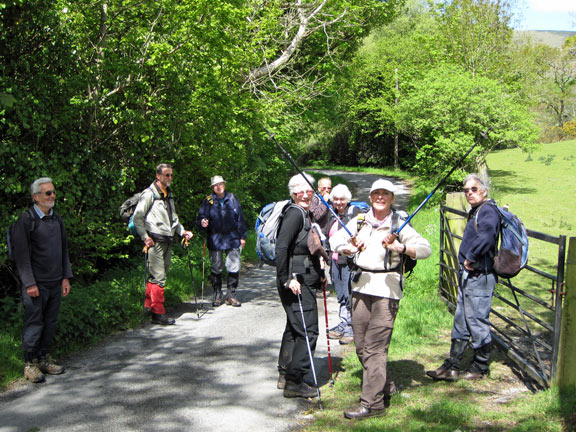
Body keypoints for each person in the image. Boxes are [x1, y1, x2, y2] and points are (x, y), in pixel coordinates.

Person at [330, 179, 431, 419]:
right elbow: (334, 239)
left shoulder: (399, 223)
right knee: (361, 345)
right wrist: (349, 247)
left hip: (387, 290)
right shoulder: (361, 220)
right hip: (361, 286)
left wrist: (401, 248)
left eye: (386, 194)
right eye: (376, 193)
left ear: (392, 198)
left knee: (375, 347)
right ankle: (383, 385)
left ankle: (372, 404)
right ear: (370, 197)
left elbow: (425, 248)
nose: (380, 197)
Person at [426, 173, 500, 381]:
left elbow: (487, 237)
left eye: (474, 189)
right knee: (461, 319)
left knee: (476, 320)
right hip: (470, 275)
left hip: (481, 275)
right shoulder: (478, 210)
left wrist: (471, 257)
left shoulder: (488, 211)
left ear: (484, 191)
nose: (469, 193)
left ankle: (480, 366)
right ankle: (453, 364)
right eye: (467, 190)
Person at [12, 177, 73, 383]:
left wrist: (66, 277)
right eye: (48, 193)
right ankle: (29, 364)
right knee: (34, 323)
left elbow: (64, 249)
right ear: (36, 197)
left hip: (55, 282)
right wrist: (29, 283)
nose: (52, 196)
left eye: (53, 192)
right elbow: (21, 255)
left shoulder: (57, 220)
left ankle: (43, 359)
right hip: (36, 285)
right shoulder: (26, 220)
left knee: (50, 323)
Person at [275, 173, 325, 399]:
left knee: (294, 327)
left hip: (303, 279)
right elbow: (282, 247)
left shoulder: (305, 213)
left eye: (309, 190)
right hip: (295, 281)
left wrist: (321, 273)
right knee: (308, 330)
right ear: (293, 194)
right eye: (300, 191)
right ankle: (295, 382)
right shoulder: (295, 214)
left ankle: (285, 372)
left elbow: (308, 247)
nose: (305, 194)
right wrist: (287, 278)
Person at [133, 163, 193, 325]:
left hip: (167, 239)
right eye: (167, 175)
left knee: (159, 274)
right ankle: (158, 313)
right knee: (159, 277)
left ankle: (148, 305)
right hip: (154, 240)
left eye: (171, 175)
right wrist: (145, 237)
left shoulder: (168, 194)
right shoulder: (149, 194)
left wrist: (182, 231)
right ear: (158, 176)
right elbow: (137, 217)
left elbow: (174, 219)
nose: (170, 178)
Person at [196, 176, 247, 307]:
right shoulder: (208, 201)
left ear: (224, 184)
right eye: (216, 185)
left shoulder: (232, 198)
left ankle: (231, 295)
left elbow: (240, 218)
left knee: (234, 265)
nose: (218, 187)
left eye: (221, 184)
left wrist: (243, 236)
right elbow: (201, 218)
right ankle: (217, 294)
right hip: (215, 238)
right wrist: (203, 222)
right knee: (216, 266)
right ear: (213, 188)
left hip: (232, 237)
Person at [327, 184, 361, 345]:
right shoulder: (333, 215)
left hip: (349, 262)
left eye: (342, 199)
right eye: (336, 199)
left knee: (349, 295)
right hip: (335, 261)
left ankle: (351, 328)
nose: (339, 202)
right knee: (340, 294)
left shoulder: (353, 213)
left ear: (347, 200)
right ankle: (343, 323)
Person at [309, 176, 332, 298]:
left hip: (328, 235)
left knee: (325, 260)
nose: (327, 190)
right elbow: (316, 215)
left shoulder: (330, 199)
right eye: (324, 188)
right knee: (319, 260)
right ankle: (318, 288)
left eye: (329, 188)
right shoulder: (315, 199)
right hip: (318, 235)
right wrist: (325, 202)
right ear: (319, 188)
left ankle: (323, 283)